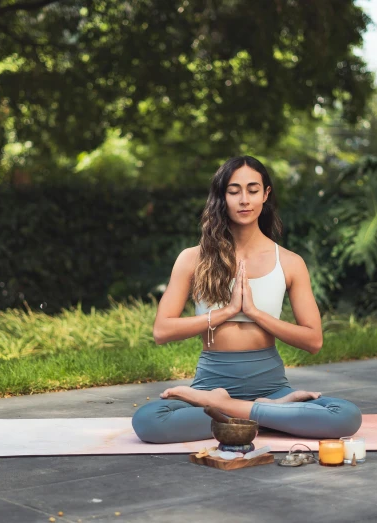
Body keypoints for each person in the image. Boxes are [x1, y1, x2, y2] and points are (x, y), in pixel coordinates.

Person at [132, 156, 361, 444]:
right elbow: (162, 331)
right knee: (148, 421)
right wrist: (226, 312)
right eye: (233, 190)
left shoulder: (289, 262)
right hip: (210, 383)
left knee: (346, 415)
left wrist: (254, 312)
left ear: (265, 195)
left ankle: (230, 410)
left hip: (270, 386)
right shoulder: (193, 258)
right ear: (222, 196)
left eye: (253, 190)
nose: (244, 200)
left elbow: (313, 341)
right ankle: (272, 415)